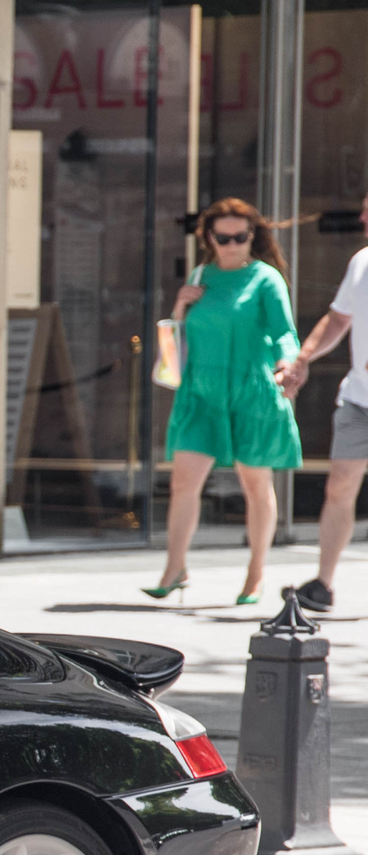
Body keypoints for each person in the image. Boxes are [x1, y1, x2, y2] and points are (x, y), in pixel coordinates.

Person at [145, 199, 303, 607]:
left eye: (241, 236)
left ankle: (255, 575)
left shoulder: (266, 279)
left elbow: (285, 332)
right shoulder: (200, 278)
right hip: (200, 392)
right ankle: (174, 569)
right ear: (209, 239)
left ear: (253, 236)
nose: (232, 244)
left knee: (255, 483)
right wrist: (180, 304)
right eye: (223, 237)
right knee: (183, 482)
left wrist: (288, 362)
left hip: (251, 391)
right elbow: (177, 337)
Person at [275, 188, 368, 612]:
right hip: (359, 399)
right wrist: (304, 357)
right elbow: (339, 318)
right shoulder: (362, 262)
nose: (364, 221)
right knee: (340, 485)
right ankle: (323, 584)